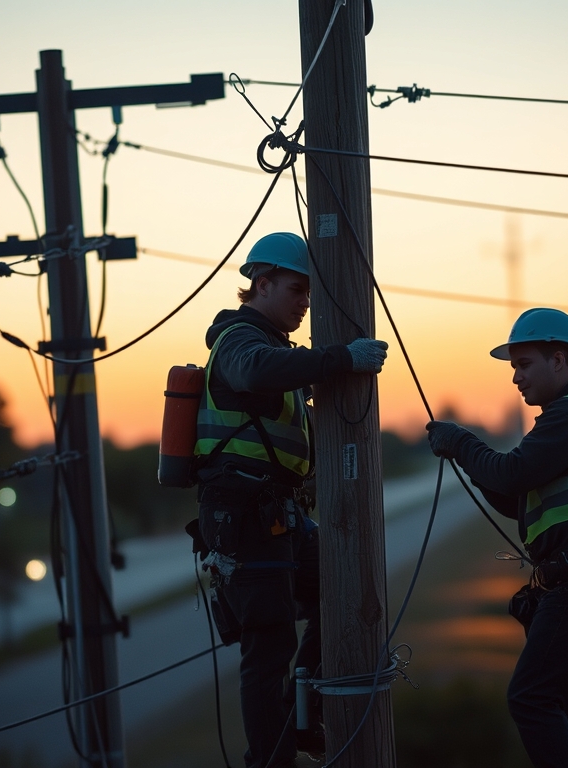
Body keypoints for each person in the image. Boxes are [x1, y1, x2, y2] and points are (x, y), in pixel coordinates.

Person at [194, 232, 388, 768]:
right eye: (297, 290)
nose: (306, 303)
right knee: (267, 648)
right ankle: (272, 759)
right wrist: (340, 358)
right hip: (243, 516)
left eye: (309, 294)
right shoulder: (238, 338)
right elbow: (253, 372)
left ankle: (303, 713)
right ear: (261, 284)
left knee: (346, 583)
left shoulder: (277, 349)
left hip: (276, 515)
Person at [426, 307, 568, 768]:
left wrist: (460, 442)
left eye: (524, 365)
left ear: (560, 360)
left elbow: (513, 473)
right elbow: (516, 497)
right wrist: (470, 459)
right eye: (514, 368)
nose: (516, 378)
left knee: (531, 700)